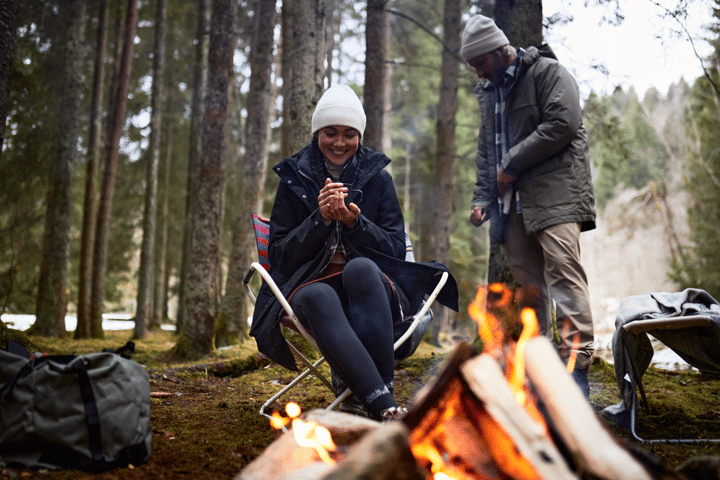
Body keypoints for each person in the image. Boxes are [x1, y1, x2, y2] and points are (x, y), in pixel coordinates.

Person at [250, 85, 458, 420]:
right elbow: (280, 255)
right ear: (318, 132)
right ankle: (386, 408)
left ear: (359, 136)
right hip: (309, 284)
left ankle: (378, 394)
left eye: (349, 134)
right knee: (319, 296)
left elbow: (394, 247)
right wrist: (318, 220)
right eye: (330, 132)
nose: (339, 143)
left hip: (373, 287)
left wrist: (353, 222)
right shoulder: (292, 179)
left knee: (359, 268)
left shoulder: (378, 179)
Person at [461, 15, 597, 396]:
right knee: (530, 290)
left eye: (480, 62)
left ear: (499, 50)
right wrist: (481, 198)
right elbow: (489, 152)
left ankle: (578, 369)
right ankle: (543, 369)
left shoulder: (547, 72)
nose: (477, 71)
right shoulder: (490, 95)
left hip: (557, 196)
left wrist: (513, 162)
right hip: (512, 206)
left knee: (565, 278)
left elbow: (563, 123)